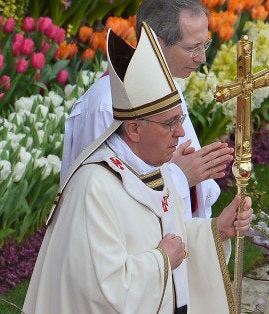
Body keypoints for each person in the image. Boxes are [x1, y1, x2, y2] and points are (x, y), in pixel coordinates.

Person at [23, 24, 253, 313]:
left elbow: (171, 236)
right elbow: (98, 286)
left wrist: (216, 231)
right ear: (133, 128)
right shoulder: (94, 186)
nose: (181, 133)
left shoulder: (158, 170)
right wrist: (162, 262)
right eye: (170, 123)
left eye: (179, 119)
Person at [61, 0, 231, 220]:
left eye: (204, 44)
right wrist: (180, 177)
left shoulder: (168, 87)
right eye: (192, 48)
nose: (202, 57)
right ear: (156, 43)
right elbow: (97, 198)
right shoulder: (105, 107)